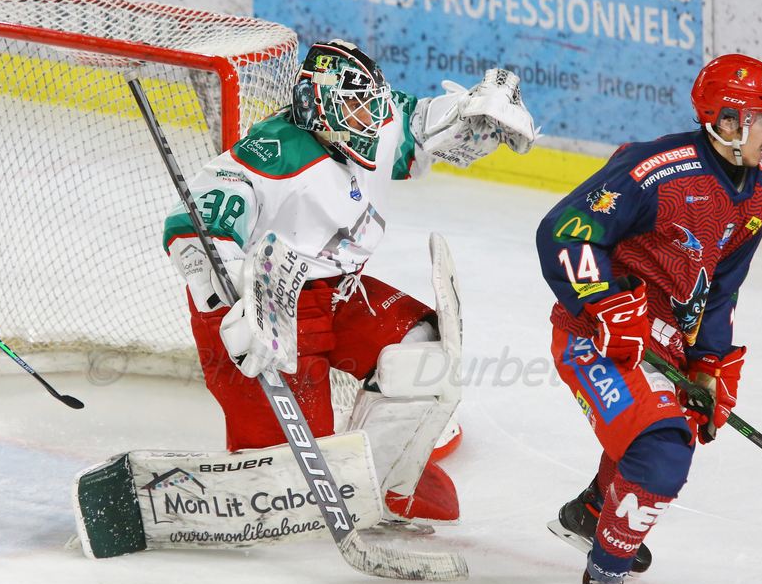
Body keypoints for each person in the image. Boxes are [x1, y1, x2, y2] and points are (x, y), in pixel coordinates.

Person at [164, 40, 538, 522]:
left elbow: (421, 122)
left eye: (372, 105)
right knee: (290, 471)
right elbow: (191, 231)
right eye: (357, 107)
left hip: (338, 293)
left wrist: (477, 115)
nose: (371, 119)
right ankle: (270, 482)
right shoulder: (271, 153)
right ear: (317, 106)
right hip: (262, 304)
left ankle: (381, 472)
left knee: (421, 348)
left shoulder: (373, 121)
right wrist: (230, 300)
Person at [535, 54, 762, 584]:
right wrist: (606, 303)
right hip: (596, 335)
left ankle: (592, 512)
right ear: (727, 120)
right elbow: (564, 232)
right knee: (663, 454)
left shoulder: (758, 195)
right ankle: (604, 578)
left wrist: (709, 364)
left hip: (664, 345)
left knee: (671, 430)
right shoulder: (654, 171)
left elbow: (721, 290)